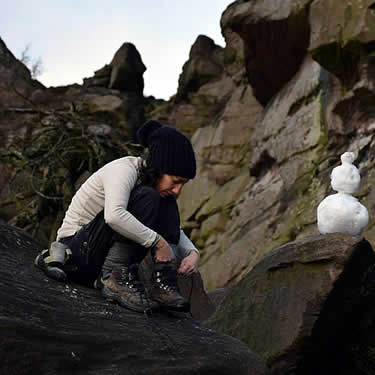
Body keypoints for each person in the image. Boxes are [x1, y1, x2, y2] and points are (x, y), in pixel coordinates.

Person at [34, 120, 200, 313]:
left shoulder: (154, 186)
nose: (178, 189)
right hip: (76, 254)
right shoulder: (123, 170)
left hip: (98, 260)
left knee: (166, 201)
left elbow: (170, 228)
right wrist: (159, 243)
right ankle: (115, 278)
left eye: (183, 184)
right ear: (158, 167)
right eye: (176, 181)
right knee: (149, 197)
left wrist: (192, 253)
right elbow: (113, 216)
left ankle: (163, 283)